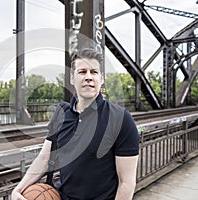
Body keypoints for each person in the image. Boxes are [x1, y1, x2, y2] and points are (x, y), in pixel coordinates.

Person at [11, 48, 140, 200]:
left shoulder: (120, 118)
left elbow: (127, 183)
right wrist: (18, 189)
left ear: (102, 78)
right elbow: (45, 158)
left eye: (94, 72)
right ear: (72, 78)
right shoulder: (61, 113)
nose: (88, 77)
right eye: (82, 72)